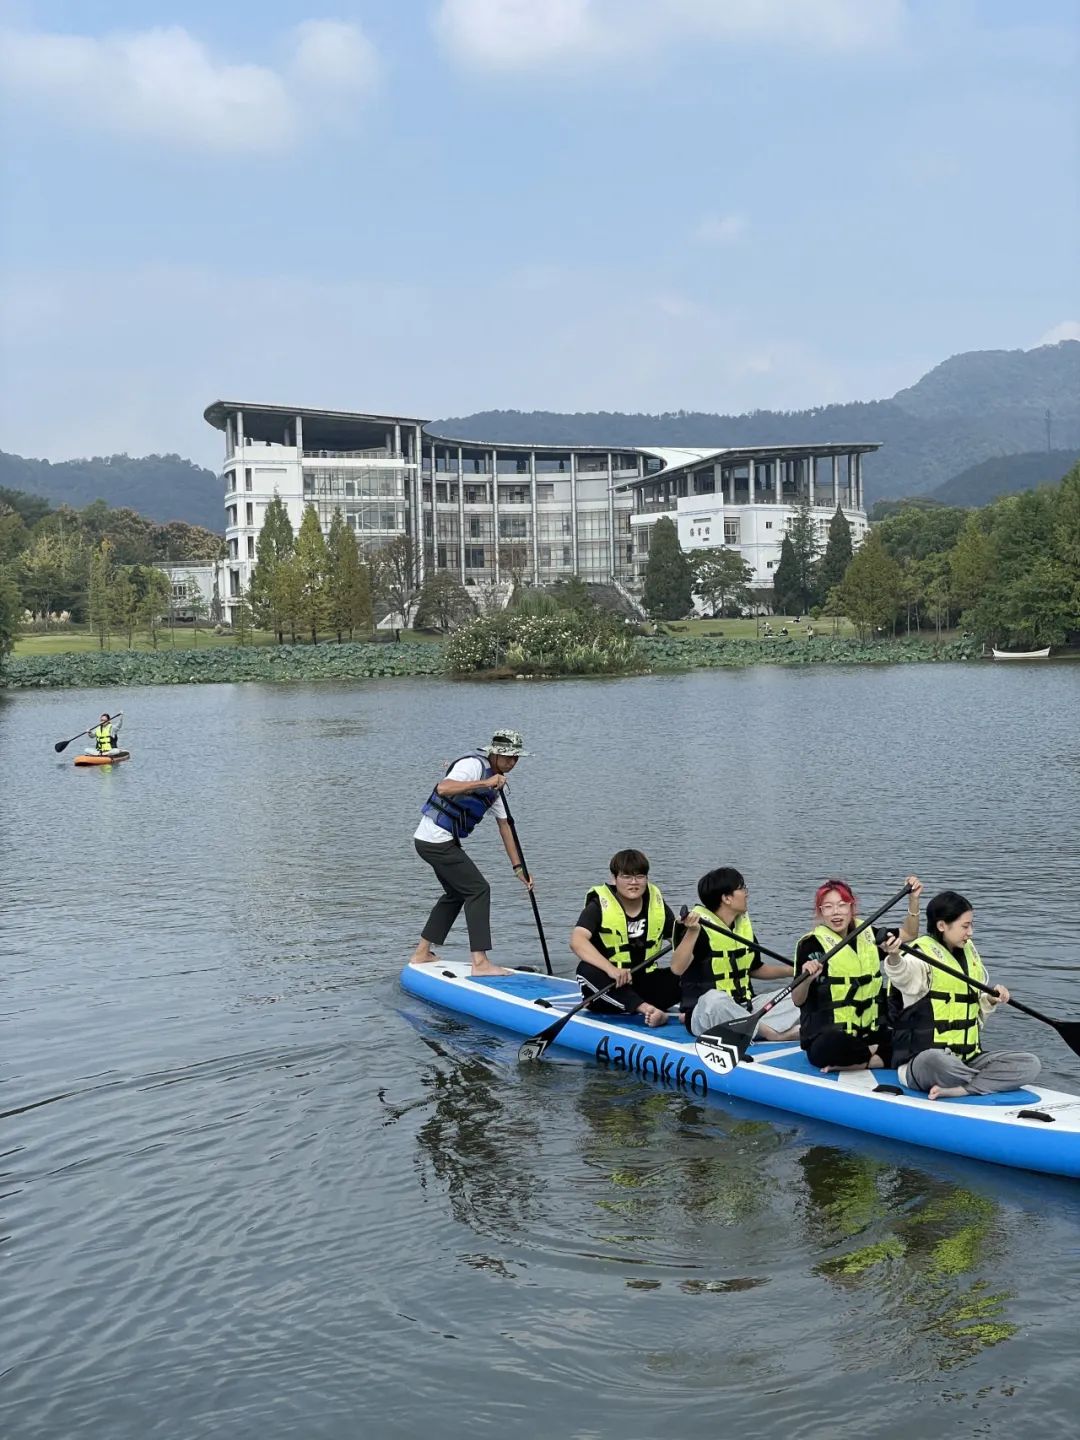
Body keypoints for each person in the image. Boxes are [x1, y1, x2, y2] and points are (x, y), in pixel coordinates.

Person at [884, 890, 1041, 1100]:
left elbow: (974, 1012)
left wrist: (990, 1000)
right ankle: (986, 1081)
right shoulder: (918, 956)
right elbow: (901, 975)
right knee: (935, 1060)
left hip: (968, 1059)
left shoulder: (968, 952)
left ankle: (963, 1088)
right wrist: (893, 956)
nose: (971, 932)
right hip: (924, 1063)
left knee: (1030, 1063)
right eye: (965, 926)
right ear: (942, 926)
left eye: (971, 925)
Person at [411, 728, 533, 977]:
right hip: (435, 841)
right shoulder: (473, 766)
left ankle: (422, 953)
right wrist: (485, 782)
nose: (511, 762)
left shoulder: (496, 784)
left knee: (456, 893)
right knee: (478, 889)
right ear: (493, 753)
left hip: (437, 842)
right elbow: (444, 788)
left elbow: (505, 827)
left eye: (515, 758)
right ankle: (480, 962)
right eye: (506, 757)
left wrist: (519, 868)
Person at [792, 876, 922, 1072]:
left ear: (852, 907)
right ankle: (876, 1057)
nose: (836, 912)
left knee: (916, 1035)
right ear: (820, 912)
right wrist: (807, 979)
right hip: (833, 1036)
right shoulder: (811, 945)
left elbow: (910, 934)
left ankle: (865, 1060)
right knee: (829, 1045)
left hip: (871, 1033)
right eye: (828, 907)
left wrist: (914, 900)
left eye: (842, 905)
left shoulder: (868, 934)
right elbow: (797, 999)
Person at [672, 867, 800, 1040]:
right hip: (705, 1013)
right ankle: (773, 1034)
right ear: (726, 898)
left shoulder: (741, 927)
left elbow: (755, 969)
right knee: (715, 1000)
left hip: (745, 1007)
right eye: (742, 888)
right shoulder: (696, 928)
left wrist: (796, 971)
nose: (746, 893)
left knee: (800, 994)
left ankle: (754, 1027)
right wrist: (692, 932)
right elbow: (677, 968)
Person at [571, 849, 686, 1027]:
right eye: (626, 877)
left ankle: (691, 1010)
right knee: (585, 970)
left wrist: (691, 931)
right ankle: (647, 1010)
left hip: (647, 984)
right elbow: (577, 941)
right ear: (614, 879)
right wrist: (612, 970)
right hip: (610, 986)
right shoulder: (598, 906)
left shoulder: (657, 904)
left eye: (639, 876)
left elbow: (680, 945)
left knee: (688, 971)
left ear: (646, 879)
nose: (634, 883)